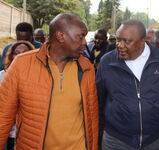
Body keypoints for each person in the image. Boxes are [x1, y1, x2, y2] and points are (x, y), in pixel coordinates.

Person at [0, 13, 99, 150]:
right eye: (80, 37)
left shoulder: (86, 67)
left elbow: (92, 117)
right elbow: (3, 116)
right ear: (60, 36)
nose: (84, 43)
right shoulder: (21, 64)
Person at [97, 19, 159, 150]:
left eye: (127, 41)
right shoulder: (107, 62)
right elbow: (98, 102)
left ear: (143, 41)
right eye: (118, 39)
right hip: (116, 141)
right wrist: (98, 137)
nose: (120, 45)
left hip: (153, 141)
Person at [0, 41, 35, 150]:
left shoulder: (39, 77)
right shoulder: (2, 76)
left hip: (30, 134)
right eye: (17, 52)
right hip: (9, 133)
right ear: (11, 56)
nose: (20, 55)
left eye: (25, 52)